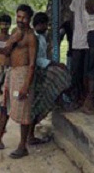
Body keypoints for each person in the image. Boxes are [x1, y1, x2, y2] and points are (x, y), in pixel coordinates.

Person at [0, 4, 37, 159]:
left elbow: (32, 64)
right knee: (4, 106)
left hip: (23, 73)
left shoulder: (31, 37)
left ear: (29, 19)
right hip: (11, 72)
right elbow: (7, 51)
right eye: (19, 17)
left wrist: (26, 86)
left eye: (24, 18)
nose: (20, 20)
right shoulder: (15, 32)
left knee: (23, 110)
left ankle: (23, 146)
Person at [28, 12, 71, 145]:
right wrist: (54, 64)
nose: (47, 27)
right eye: (45, 25)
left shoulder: (41, 37)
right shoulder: (34, 38)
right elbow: (37, 59)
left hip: (41, 69)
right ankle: (29, 135)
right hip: (37, 72)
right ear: (40, 24)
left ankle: (58, 100)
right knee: (37, 102)